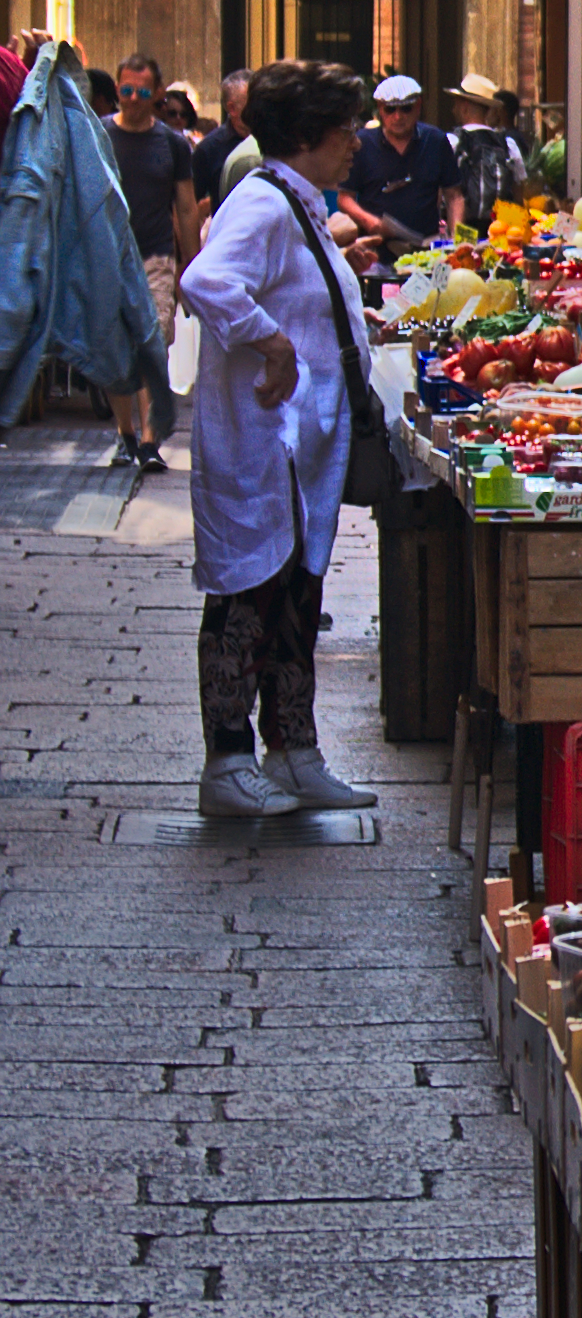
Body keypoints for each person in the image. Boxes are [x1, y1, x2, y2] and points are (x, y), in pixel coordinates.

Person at [175, 55, 376, 819]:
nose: (355, 139)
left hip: (293, 450)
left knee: (294, 595)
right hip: (262, 444)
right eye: (343, 126)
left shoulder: (294, 200)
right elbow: (205, 281)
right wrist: (275, 344)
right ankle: (228, 759)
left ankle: (295, 750)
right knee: (245, 598)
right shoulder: (262, 202)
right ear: (307, 134)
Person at [103, 51, 200, 469]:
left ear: (157, 93)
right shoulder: (101, 137)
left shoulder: (173, 145)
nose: (133, 99)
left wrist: (191, 267)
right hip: (108, 257)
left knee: (151, 343)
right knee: (116, 349)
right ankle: (125, 433)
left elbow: (186, 206)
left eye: (142, 91)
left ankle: (147, 441)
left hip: (156, 258)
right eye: (125, 90)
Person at [337, 72, 459, 270]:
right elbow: (345, 198)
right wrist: (370, 222)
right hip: (376, 252)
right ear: (379, 109)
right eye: (390, 109)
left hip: (426, 249)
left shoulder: (435, 140)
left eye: (406, 109)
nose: (398, 117)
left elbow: (454, 196)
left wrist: (455, 240)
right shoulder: (363, 143)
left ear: (418, 106)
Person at [446, 70, 528, 234]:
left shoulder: (453, 142)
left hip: (463, 229)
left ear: (465, 108)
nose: (453, 109)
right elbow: (520, 190)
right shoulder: (507, 144)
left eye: (456, 104)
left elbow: (445, 191)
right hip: (499, 232)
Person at [190, 69, 251, 218]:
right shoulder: (209, 149)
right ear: (232, 108)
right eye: (252, 101)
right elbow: (188, 206)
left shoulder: (274, 139)